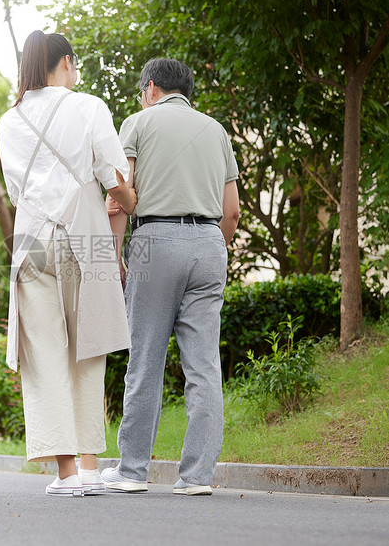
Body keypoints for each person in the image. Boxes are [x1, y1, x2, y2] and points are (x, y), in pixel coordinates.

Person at [0, 30, 137, 497]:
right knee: (88, 344)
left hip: (32, 238)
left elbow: (17, 192)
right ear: (67, 64)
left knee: (45, 354)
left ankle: (67, 472)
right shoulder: (88, 106)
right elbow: (112, 175)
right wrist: (127, 200)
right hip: (85, 233)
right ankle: (93, 467)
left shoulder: (8, 121)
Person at [101, 58, 241, 496]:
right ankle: (197, 476)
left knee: (145, 359)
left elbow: (121, 194)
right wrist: (210, 248)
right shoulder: (216, 130)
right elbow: (232, 210)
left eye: (141, 90)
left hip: (153, 240)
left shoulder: (138, 123)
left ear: (151, 88)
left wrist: (116, 256)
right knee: (204, 366)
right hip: (209, 243)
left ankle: (132, 471)